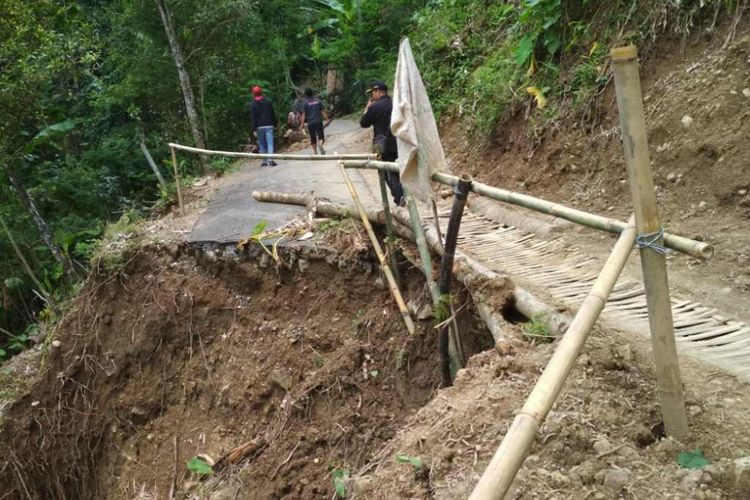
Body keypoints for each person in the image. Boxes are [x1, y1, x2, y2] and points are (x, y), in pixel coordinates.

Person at [359, 80, 404, 206]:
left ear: (377, 91)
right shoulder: (395, 104)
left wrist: (367, 108)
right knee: (398, 168)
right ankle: (404, 194)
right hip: (398, 141)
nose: (371, 96)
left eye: (372, 93)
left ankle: (400, 197)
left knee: (387, 171)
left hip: (383, 143)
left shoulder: (375, 106)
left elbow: (363, 123)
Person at [249, 85, 277, 167]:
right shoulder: (267, 102)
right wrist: (275, 124)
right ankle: (271, 160)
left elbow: (253, 117)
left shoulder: (253, 104)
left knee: (261, 143)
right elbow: (272, 113)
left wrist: (254, 129)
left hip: (259, 126)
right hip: (269, 124)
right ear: (261, 92)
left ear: (253, 94)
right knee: (270, 143)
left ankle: (264, 161)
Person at [300, 88, 330, 155]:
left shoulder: (305, 104)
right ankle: (320, 145)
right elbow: (322, 111)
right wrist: (327, 119)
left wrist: (301, 125)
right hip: (318, 121)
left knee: (313, 138)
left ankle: (315, 152)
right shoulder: (318, 101)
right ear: (312, 93)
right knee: (321, 137)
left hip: (310, 123)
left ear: (306, 95)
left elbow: (303, 115)